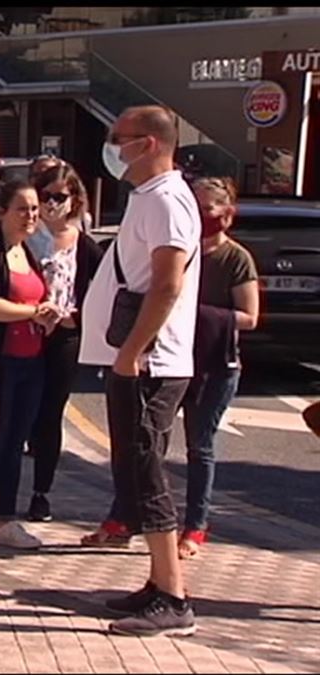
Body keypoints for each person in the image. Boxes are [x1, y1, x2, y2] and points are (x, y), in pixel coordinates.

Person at [78, 105, 201, 637]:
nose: (110, 147)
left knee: (147, 471)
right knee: (134, 467)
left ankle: (173, 596)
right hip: (137, 356)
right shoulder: (150, 199)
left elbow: (167, 284)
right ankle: (158, 582)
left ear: (148, 143)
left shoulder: (168, 201)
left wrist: (133, 348)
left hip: (151, 360)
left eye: (117, 138)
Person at [0, 181, 59, 550]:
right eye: (22, 209)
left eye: (35, 209)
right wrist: (34, 312)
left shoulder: (29, 252)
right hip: (1, 359)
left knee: (17, 439)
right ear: (1, 212)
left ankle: (5, 518)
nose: (31, 216)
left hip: (32, 359)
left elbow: (38, 297)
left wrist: (48, 315)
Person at [178, 176, 258, 558]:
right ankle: (128, 517)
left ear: (226, 213)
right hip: (176, 357)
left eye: (208, 207)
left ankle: (195, 525)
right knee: (147, 441)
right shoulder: (184, 251)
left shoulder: (236, 258)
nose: (201, 214)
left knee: (200, 445)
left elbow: (250, 316)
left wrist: (202, 316)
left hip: (217, 365)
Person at [23, 163, 104, 523]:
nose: (52, 204)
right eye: (45, 196)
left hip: (65, 337)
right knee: (15, 412)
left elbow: (101, 296)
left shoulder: (86, 247)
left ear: (75, 200)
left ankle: (41, 492)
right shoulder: (23, 238)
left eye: (60, 197)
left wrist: (75, 317)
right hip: (23, 333)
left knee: (50, 413)